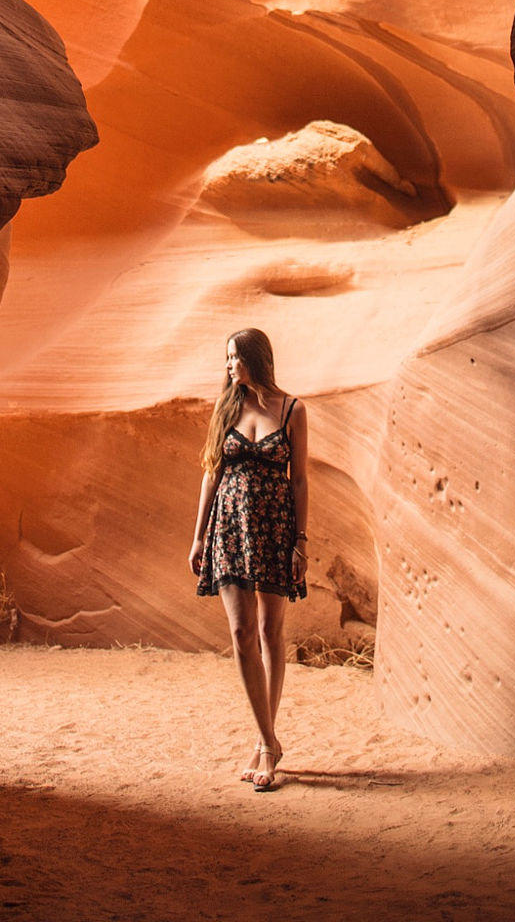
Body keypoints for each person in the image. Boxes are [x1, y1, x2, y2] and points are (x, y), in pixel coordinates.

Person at [190, 328, 308, 791]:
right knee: (241, 633)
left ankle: (265, 745)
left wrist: (301, 540)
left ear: (255, 359)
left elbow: (299, 481)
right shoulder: (227, 407)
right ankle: (268, 740)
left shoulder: (293, 410)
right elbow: (210, 473)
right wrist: (198, 536)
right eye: (226, 359)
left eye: (234, 358)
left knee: (270, 633)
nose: (228, 366)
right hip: (229, 530)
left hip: (276, 529)